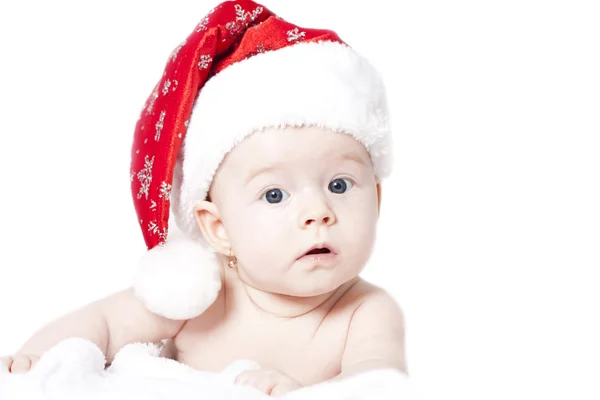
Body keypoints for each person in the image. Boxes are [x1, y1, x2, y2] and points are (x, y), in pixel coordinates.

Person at [1, 0, 407, 396]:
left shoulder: (365, 312)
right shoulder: (199, 292)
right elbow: (102, 324)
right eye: (275, 194)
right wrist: (36, 357)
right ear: (218, 228)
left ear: (376, 198)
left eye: (339, 185)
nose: (318, 213)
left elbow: (377, 382)